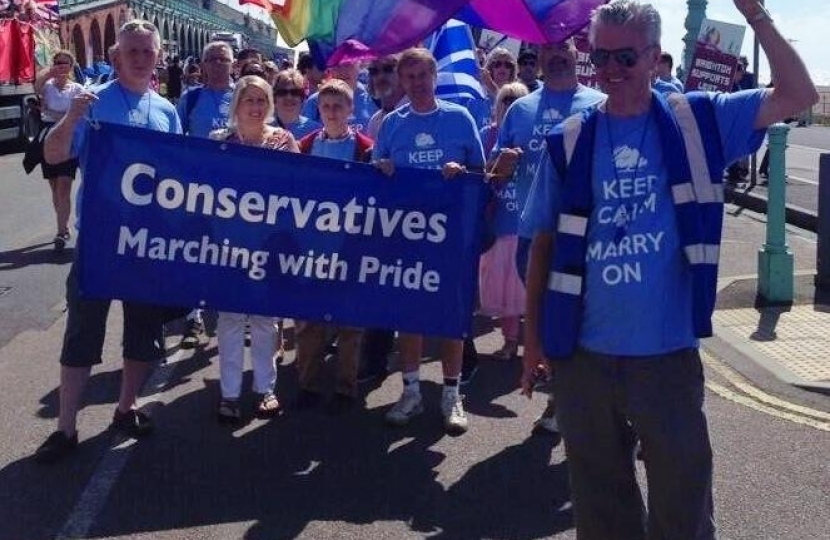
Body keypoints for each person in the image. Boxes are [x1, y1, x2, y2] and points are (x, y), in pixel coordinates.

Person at [521, 1, 817, 538]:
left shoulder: (698, 120)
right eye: (600, 54)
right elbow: (542, 242)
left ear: (654, 55)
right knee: (601, 508)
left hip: (666, 358)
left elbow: (799, 95)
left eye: (626, 56)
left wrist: (756, 17)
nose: (610, 69)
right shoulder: (568, 138)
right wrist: (534, 339)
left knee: (682, 508)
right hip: (583, 356)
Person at [35, 19, 183, 464]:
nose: (140, 58)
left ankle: (126, 407)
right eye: (131, 51)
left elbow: (178, 177)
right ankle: (65, 428)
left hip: (145, 242)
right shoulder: (93, 101)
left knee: (142, 329)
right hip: (100, 240)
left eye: (147, 51)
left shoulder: (166, 110)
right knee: (82, 330)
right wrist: (74, 114)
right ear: (116, 55)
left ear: (158, 57)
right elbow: (54, 154)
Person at [495, 38, 605, 435]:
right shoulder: (521, 108)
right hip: (531, 234)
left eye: (565, 51)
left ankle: (571, 400)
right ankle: (563, 392)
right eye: (549, 51)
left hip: (583, 235)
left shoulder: (598, 104)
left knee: (583, 317)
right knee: (546, 316)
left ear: (576, 57)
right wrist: (502, 163)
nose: (557, 56)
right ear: (540, 58)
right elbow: (496, 168)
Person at [374, 48, 486, 435]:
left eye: (424, 75)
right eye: (410, 77)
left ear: (435, 76)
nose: (418, 83)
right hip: (407, 238)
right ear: (401, 82)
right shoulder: (392, 124)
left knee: (453, 318)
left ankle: (451, 395)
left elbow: (480, 172)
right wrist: (382, 168)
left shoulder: (460, 118)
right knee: (410, 317)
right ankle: (410, 392)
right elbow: (375, 173)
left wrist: (464, 170)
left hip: (451, 236)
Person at [209, 75, 299, 422]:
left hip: (269, 245)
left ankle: (266, 389)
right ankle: (229, 393)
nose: (257, 106)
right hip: (229, 244)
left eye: (263, 100)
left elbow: (298, 188)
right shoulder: (220, 142)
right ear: (237, 105)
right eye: (250, 100)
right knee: (230, 320)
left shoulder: (283, 141)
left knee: (265, 320)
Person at [294, 79, 373, 413]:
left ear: (350, 109)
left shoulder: (366, 148)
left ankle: (345, 385)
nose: (331, 112)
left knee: (350, 321)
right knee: (309, 318)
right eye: (325, 106)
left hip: (350, 244)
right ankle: (307, 383)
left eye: (338, 105)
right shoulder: (306, 144)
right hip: (312, 243)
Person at [176, 41, 236, 347]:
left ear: (232, 63)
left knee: (232, 253)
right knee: (196, 252)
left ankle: (235, 315)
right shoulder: (191, 98)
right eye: (210, 59)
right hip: (200, 190)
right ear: (202, 64)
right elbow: (175, 141)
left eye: (222, 59)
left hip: (239, 194)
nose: (216, 64)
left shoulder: (244, 95)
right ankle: (193, 318)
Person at [478, 82, 529, 361]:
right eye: (505, 99)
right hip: (498, 224)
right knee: (505, 293)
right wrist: (499, 166)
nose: (509, 104)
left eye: (515, 100)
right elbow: (481, 174)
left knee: (528, 293)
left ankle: (532, 348)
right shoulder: (488, 135)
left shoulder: (534, 135)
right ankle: (510, 342)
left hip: (526, 226)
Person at [29, 50, 84, 251]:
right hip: (49, 137)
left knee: (64, 185)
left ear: (71, 66)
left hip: (68, 138)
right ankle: (63, 224)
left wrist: (55, 113)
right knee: (54, 186)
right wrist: (48, 74)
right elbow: (35, 86)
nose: (62, 66)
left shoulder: (77, 88)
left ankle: (61, 232)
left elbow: (79, 113)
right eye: (58, 63)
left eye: (66, 63)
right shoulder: (48, 87)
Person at [301, 60, 379, 132]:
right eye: (337, 65)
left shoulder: (375, 99)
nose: (342, 71)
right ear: (330, 68)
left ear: (359, 65)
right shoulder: (315, 101)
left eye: (348, 64)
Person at [272, 68, 321, 140]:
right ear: (274, 97)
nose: (289, 97)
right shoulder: (261, 127)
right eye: (282, 92)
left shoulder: (316, 131)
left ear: (302, 97)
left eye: (295, 92)